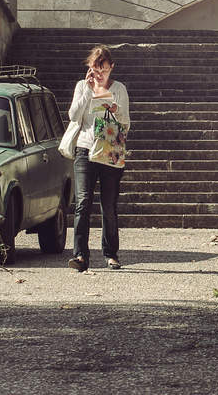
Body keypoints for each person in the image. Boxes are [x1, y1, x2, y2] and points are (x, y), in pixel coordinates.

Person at [68, 45, 130, 271]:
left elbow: (126, 122)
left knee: (109, 205)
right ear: (89, 67)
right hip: (85, 148)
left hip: (110, 151)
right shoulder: (82, 86)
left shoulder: (119, 89)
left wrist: (113, 107)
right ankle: (80, 256)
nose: (100, 74)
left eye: (104, 69)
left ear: (111, 68)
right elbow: (74, 116)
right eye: (95, 68)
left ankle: (111, 254)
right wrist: (88, 90)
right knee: (83, 202)